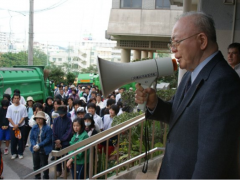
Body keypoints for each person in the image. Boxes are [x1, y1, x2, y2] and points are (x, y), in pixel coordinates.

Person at [135, 11, 240, 179]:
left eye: (177, 41)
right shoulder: (190, 75)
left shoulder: (223, 83)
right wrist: (154, 104)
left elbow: (212, 162)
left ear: (202, 41)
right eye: (172, 43)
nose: (173, 48)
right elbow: (179, 114)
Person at [30, 111, 52, 179]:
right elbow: (31, 138)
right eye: (37, 119)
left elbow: (48, 139)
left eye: (40, 119)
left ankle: (45, 177)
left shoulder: (47, 128)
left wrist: (39, 145)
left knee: (44, 164)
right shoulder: (34, 127)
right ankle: (37, 177)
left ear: (43, 119)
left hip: (44, 149)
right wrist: (34, 145)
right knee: (36, 165)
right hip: (35, 148)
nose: (38, 120)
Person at [53, 105, 72, 177]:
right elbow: (54, 130)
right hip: (57, 141)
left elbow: (68, 132)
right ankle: (58, 170)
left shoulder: (69, 120)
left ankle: (66, 170)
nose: (61, 114)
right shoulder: (56, 120)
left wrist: (61, 140)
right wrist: (56, 140)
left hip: (65, 142)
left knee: (65, 157)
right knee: (57, 157)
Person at [6, 93, 28, 159]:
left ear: (19, 98)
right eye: (15, 98)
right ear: (13, 99)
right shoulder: (10, 107)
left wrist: (18, 124)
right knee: (13, 140)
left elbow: (24, 117)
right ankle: (14, 153)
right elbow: (9, 117)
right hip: (12, 126)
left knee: (20, 140)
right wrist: (14, 125)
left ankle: (20, 153)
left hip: (21, 126)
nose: (16, 99)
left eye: (17, 98)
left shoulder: (23, 107)